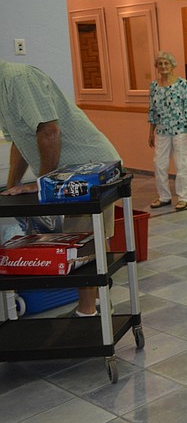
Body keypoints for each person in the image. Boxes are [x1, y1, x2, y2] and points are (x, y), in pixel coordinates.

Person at [0, 60, 120, 317]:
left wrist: (42, 184)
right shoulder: (2, 91)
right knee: (88, 239)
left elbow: (49, 132)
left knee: (84, 236)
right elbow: (20, 141)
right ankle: (99, 303)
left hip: (89, 167)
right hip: (67, 172)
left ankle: (87, 311)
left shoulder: (17, 79)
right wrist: (12, 185)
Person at [148, 51, 187, 211]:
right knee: (159, 164)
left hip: (181, 130)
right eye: (160, 63)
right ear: (157, 67)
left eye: (166, 63)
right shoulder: (154, 86)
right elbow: (152, 111)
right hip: (162, 131)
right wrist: (150, 132)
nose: (163, 66)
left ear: (172, 66)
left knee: (181, 164)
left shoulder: (182, 84)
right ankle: (164, 196)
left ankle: (183, 197)